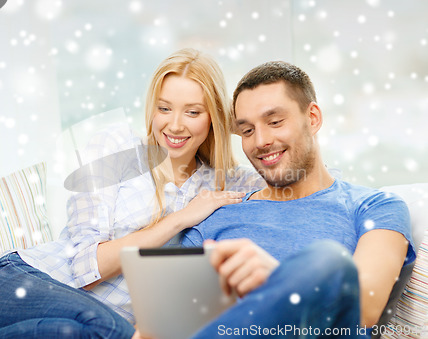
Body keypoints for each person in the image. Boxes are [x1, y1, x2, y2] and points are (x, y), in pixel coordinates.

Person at [0, 48, 265, 338]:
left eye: (193, 113)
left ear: (214, 118)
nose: (175, 125)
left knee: (75, 332)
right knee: (112, 330)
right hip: (17, 286)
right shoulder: (116, 147)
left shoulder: (224, 184)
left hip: (74, 327)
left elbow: (294, 182)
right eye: (164, 108)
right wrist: (179, 220)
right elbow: (88, 266)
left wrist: (239, 124)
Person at [173, 61, 415, 338]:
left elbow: (366, 306)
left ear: (312, 118)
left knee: (329, 261)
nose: (261, 141)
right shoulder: (217, 215)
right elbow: (170, 315)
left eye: (275, 122)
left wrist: (278, 279)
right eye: (248, 130)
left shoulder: (375, 205)